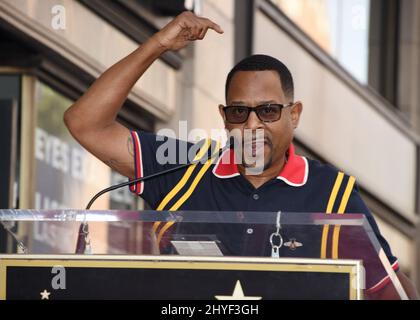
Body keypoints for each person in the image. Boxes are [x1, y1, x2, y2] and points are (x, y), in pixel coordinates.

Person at [64, 11, 418, 300]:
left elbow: (391, 291)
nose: (252, 124)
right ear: (223, 116)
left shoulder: (333, 195)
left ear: (294, 114)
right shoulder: (183, 171)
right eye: (238, 112)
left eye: (268, 111)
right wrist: (157, 45)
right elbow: (85, 124)